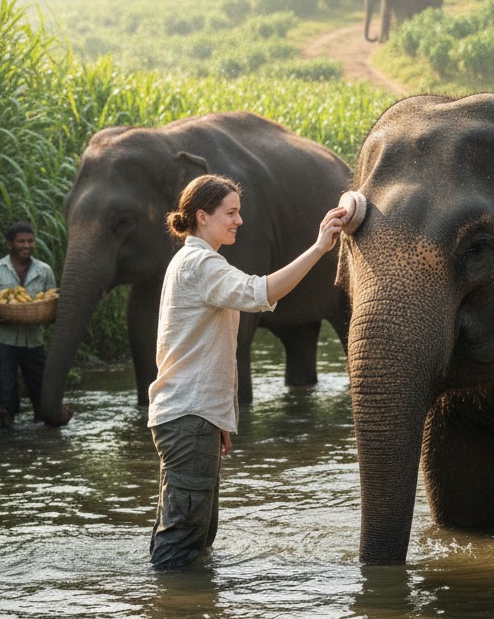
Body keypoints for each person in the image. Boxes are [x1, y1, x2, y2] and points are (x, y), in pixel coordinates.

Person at [148, 174, 347, 570]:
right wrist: (320, 246)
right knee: (184, 538)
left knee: (196, 532)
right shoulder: (202, 264)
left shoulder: (191, 261)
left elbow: (199, 349)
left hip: (193, 415)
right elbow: (263, 292)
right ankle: (171, 603)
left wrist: (219, 417)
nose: (239, 221)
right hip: (188, 417)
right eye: (231, 213)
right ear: (202, 217)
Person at [0, 222, 69, 427]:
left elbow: (52, 301)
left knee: (41, 386)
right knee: (5, 388)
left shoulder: (44, 270)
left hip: (33, 339)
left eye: (30, 241)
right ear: (10, 245)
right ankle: (7, 432)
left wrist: (47, 315)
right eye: (21, 241)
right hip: (3, 339)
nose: (26, 245)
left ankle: (43, 428)